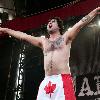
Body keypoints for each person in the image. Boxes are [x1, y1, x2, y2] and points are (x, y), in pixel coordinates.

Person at [0, 7, 100, 100]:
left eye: (53, 21)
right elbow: (23, 36)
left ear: (59, 26)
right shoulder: (43, 41)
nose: (50, 23)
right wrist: (6, 30)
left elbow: (81, 23)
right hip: (47, 81)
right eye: (49, 22)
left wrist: (94, 12)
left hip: (62, 80)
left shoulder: (65, 37)